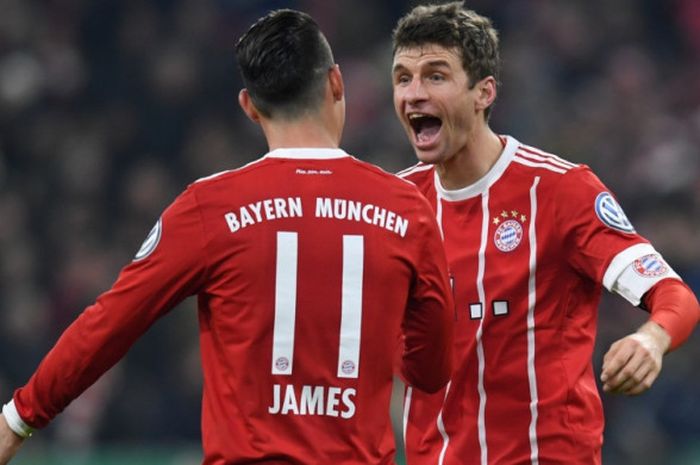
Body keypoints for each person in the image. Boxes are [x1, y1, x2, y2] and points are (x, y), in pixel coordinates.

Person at [0, 9, 455, 465]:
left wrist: (19, 419)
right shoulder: (406, 207)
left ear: (249, 106)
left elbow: (110, 322)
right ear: (337, 83)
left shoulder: (210, 208)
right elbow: (431, 368)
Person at [390, 2, 700, 465]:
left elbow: (675, 296)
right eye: (402, 78)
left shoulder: (558, 190)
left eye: (436, 76)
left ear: (484, 93)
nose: (414, 93)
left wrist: (650, 340)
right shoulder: (392, 206)